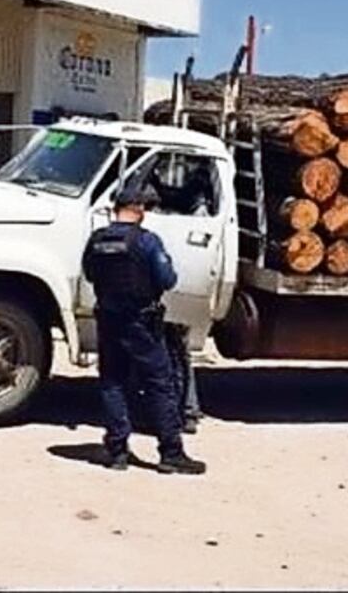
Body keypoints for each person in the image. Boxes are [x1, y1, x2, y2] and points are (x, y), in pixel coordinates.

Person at [82, 182, 205, 475]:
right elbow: (167, 279)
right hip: (141, 323)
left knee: (113, 383)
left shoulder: (96, 240)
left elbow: (90, 274)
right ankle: (171, 453)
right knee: (159, 384)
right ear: (138, 210)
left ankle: (117, 452)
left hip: (109, 320)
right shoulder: (147, 241)